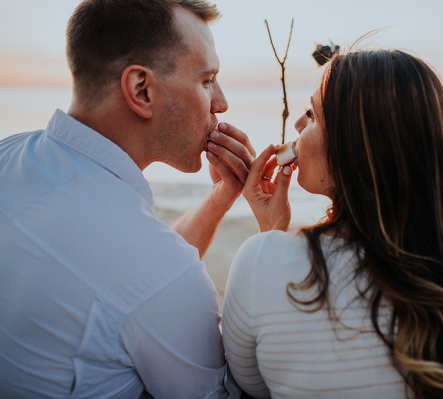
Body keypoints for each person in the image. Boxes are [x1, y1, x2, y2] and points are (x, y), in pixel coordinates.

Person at [222, 49, 443, 398]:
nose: (298, 126)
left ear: (354, 147)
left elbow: (252, 386)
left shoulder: (260, 263)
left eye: (312, 115)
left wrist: (270, 237)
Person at [0, 0, 260, 397]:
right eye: (207, 80)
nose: (221, 103)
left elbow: (131, 279)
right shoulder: (158, 271)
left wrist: (217, 200)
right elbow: (148, 278)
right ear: (142, 90)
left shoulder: (8, 155)